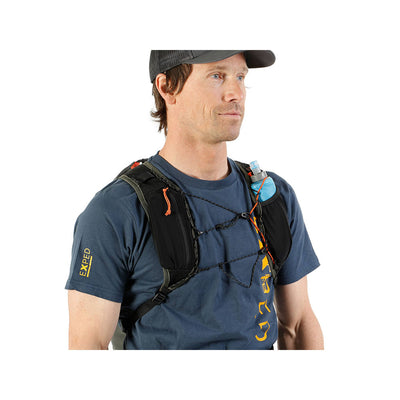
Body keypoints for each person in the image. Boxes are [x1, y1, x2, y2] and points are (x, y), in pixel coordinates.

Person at [66, 50, 324, 350]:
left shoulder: (271, 197)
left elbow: (298, 324)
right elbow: (87, 345)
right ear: (167, 87)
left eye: (240, 77)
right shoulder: (116, 212)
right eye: (217, 76)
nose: (236, 93)